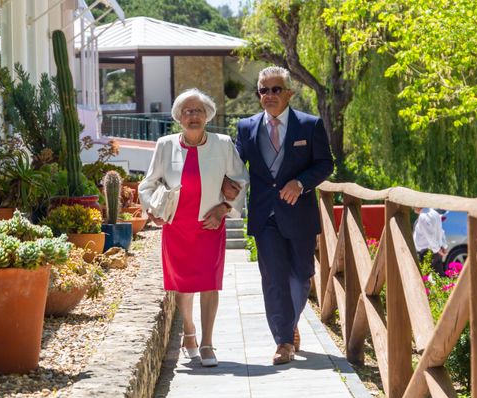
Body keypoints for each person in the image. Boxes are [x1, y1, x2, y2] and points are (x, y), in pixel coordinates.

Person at [229, 66, 334, 365]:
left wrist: (300, 183)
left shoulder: (309, 125)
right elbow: (237, 167)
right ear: (259, 94)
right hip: (265, 216)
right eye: (264, 90)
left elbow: (325, 164)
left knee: (301, 276)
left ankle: (290, 322)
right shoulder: (246, 127)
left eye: (276, 89)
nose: (270, 95)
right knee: (273, 278)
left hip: (299, 213)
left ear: (289, 93)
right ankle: (284, 341)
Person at [139, 88, 249, 367]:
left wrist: (225, 209)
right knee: (182, 284)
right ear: (178, 117)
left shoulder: (223, 144)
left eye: (198, 110)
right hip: (176, 226)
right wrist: (154, 210)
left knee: (210, 283)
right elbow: (147, 184)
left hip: (209, 224)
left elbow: (241, 180)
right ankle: (189, 334)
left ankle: (208, 343)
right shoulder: (165, 145)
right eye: (187, 111)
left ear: (208, 115)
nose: (193, 116)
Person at [413, 207, 447, 276]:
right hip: (434, 251)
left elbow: (430, 235)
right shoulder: (435, 213)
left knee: (424, 280)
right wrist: (444, 246)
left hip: (426, 252)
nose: (412, 207)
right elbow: (441, 231)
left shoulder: (423, 215)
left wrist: (438, 249)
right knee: (438, 278)